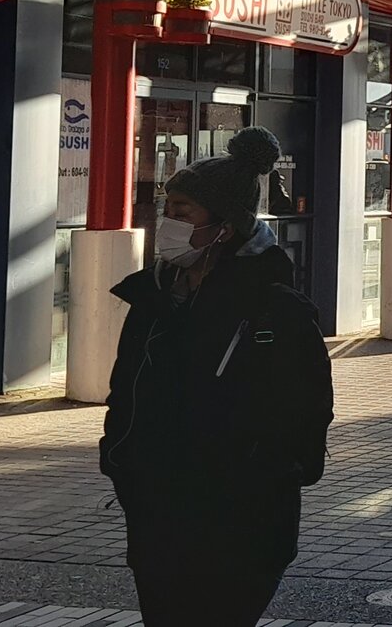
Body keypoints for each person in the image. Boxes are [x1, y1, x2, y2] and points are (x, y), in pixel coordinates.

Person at [100, 127, 334, 626]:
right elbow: (126, 390)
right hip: (158, 514)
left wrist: (274, 473)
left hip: (243, 521)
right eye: (168, 210)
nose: (170, 223)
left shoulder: (274, 310)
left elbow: (308, 404)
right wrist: (120, 460)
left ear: (226, 225)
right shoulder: (151, 301)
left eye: (184, 213)